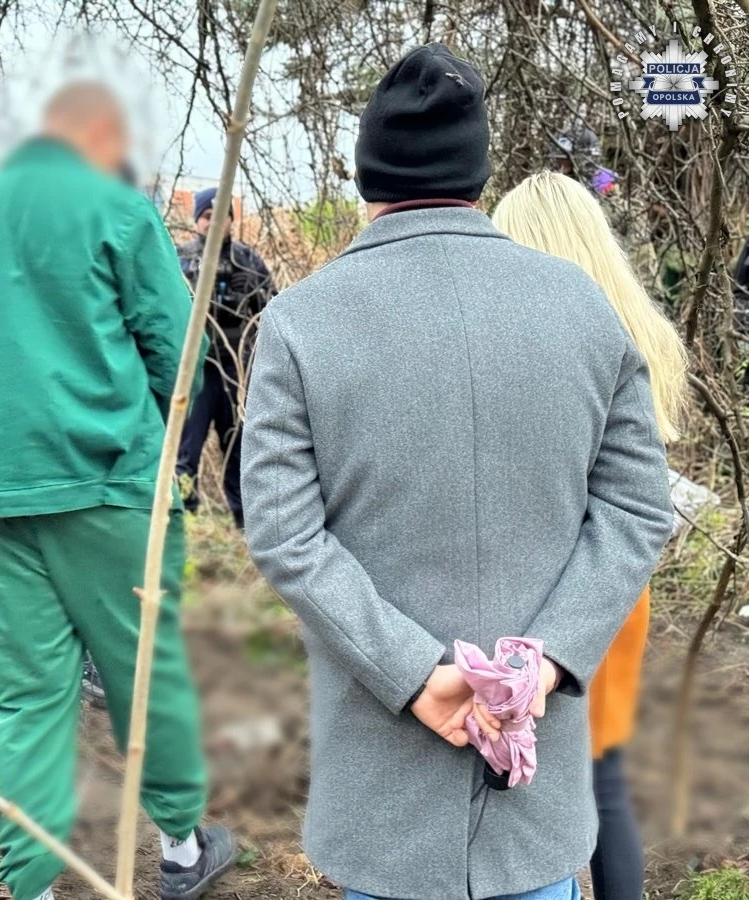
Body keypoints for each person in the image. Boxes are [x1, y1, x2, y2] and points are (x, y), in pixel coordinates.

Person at [241, 44, 674, 900]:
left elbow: (285, 534)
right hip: (534, 781)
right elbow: (639, 508)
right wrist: (543, 663)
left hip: (380, 784)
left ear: (368, 176)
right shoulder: (581, 306)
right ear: (479, 170)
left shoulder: (298, 325)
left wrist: (412, 675)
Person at [0, 81, 236, 900]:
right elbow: (181, 352)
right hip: (106, 482)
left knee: (28, 700)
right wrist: (156, 438)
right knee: (145, 667)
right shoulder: (115, 208)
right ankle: (180, 847)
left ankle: (28, 885)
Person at [493, 171, 689, 900]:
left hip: (537, 584)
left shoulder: (517, 341)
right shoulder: (634, 331)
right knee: (607, 776)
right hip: (617, 585)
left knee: (518, 766)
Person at [175, 187, 274, 527]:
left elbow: (270, 311)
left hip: (235, 371)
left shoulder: (248, 261)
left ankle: (246, 525)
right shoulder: (181, 259)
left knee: (237, 448)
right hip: (197, 370)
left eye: (223, 217)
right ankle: (185, 520)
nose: (215, 224)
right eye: (207, 217)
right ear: (197, 220)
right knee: (186, 450)